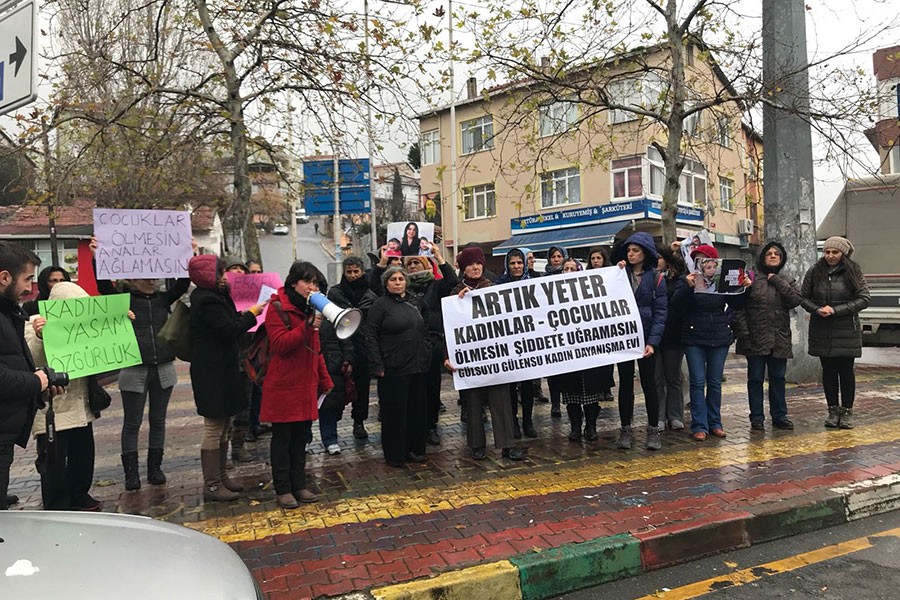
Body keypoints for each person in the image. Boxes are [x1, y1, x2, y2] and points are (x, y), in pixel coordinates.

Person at [90, 237, 192, 490]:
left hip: (164, 367)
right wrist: (97, 257)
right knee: (132, 422)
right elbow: (103, 286)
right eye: (144, 275)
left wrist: (187, 253)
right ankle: (131, 473)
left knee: (158, 420)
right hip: (134, 368)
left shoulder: (163, 299)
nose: (150, 279)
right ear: (132, 279)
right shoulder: (123, 300)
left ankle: (155, 468)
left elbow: (182, 283)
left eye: (153, 275)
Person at [188, 254, 266, 502]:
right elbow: (230, 329)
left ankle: (221, 477)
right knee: (213, 427)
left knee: (224, 426)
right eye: (220, 274)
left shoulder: (216, 296)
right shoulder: (206, 300)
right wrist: (252, 313)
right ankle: (211, 484)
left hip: (223, 369)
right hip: (211, 373)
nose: (225, 278)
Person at [261, 261, 333, 507]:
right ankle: (283, 488)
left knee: (301, 438)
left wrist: (325, 379)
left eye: (315, 283)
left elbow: (316, 350)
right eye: (307, 282)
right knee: (283, 440)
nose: (312, 287)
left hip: (306, 385)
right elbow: (280, 344)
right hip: (283, 385)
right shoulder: (277, 307)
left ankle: (299, 485)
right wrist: (307, 326)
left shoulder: (309, 308)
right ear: (294, 283)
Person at [25, 282, 101, 511]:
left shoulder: (86, 324)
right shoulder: (33, 324)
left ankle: (80, 494)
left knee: (83, 456)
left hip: (79, 404)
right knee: (54, 462)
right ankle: (57, 504)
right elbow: (30, 358)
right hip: (51, 409)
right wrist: (40, 335)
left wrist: (119, 322)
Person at [446, 246, 524, 461]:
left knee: (502, 401)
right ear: (463, 268)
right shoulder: (455, 293)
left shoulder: (494, 288)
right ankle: (477, 444)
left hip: (496, 355)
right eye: (471, 264)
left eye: (479, 263)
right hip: (471, 358)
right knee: (473, 401)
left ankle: (507, 444)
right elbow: (450, 326)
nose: (476, 267)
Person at [0, 241, 53, 510]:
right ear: (4, 277)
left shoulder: (8, 312)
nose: (30, 287)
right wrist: (35, 381)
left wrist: (37, 381)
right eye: (28, 278)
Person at [363, 266, 431, 467]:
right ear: (386, 283)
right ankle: (395, 454)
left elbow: (426, 323)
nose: (398, 282)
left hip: (417, 365)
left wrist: (426, 347)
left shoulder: (416, 302)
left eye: (401, 278)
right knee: (395, 413)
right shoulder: (380, 305)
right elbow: (370, 335)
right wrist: (377, 364)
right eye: (393, 279)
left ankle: (415, 449)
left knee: (416, 411)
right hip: (393, 367)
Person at [800, 236, 870, 429]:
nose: (830, 256)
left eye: (835, 252)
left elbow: (864, 298)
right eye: (827, 252)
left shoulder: (853, 271)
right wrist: (816, 309)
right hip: (822, 330)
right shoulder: (815, 271)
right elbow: (803, 297)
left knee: (846, 372)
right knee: (829, 372)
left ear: (843, 254)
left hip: (847, 329)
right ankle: (832, 411)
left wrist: (836, 310)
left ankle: (847, 412)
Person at [732, 242, 803, 431]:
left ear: (782, 258)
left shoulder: (787, 279)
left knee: (778, 378)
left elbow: (795, 300)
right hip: (755, 338)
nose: (772, 256)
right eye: (769, 253)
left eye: (777, 254)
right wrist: (744, 335)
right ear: (762, 257)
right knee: (755, 379)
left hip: (779, 339)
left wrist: (777, 281)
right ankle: (756, 417)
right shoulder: (751, 278)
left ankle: (780, 416)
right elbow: (738, 309)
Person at [683, 244, 748, 441]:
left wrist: (744, 287)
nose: (703, 264)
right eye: (698, 260)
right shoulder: (689, 279)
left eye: (706, 260)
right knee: (697, 382)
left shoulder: (722, 280)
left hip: (719, 335)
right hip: (694, 336)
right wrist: (687, 288)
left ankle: (715, 423)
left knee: (714, 382)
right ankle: (699, 425)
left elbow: (737, 304)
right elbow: (677, 305)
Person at [612, 233, 667, 450]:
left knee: (649, 384)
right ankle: (626, 429)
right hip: (624, 338)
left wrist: (652, 342)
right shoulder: (619, 274)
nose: (631, 254)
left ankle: (653, 430)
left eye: (636, 250)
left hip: (645, 339)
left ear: (645, 253)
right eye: (629, 250)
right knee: (625, 384)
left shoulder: (656, 279)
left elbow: (660, 312)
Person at [404, 249, 459, 446]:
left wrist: (439, 257)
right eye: (409, 264)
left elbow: (452, 281)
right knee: (413, 390)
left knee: (431, 388)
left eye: (417, 263)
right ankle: (415, 427)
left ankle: (431, 426)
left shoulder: (435, 287)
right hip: (409, 347)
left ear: (427, 266)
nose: (413, 267)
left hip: (431, 345)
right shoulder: (402, 287)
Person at [549, 258, 607, 442]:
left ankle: (591, 426)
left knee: (591, 391)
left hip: (589, 351)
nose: (568, 272)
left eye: (572, 269)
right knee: (570, 392)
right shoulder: (555, 295)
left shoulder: (590, 293)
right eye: (565, 269)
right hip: (567, 352)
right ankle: (575, 426)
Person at [328, 256, 380, 440]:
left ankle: (359, 421)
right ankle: (333, 423)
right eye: (348, 272)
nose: (352, 275)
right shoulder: (335, 293)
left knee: (362, 389)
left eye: (355, 271)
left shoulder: (370, 294)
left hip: (363, 347)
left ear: (362, 271)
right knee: (338, 388)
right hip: (341, 347)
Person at [495, 248, 538, 438]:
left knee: (528, 384)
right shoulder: (498, 285)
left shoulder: (535, 283)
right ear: (507, 265)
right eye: (512, 263)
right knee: (511, 386)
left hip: (529, 341)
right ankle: (512, 422)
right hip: (509, 342)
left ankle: (527, 421)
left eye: (519, 262)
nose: (516, 266)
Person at [654, 247, 691, 430]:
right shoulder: (650, 278)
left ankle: (675, 415)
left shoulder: (679, 281)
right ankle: (658, 416)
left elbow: (678, 302)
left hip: (673, 335)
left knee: (673, 377)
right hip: (654, 336)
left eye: (660, 257)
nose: (657, 260)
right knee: (657, 378)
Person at [587, 246, 616, 401]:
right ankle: (598, 387)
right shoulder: (584, 277)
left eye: (598, 258)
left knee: (608, 359)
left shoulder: (611, 274)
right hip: (593, 323)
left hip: (607, 322)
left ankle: (607, 388)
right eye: (593, 259)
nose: (596, 261)